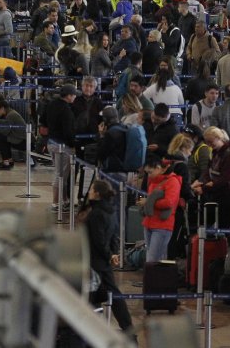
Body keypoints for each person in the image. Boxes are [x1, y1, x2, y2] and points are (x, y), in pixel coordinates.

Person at [80, 180, 134, 335]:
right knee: (112, 294)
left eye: (91, 190)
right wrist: (113, 253)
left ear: (97, 193)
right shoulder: (111, 210)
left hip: (94, 261)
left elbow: (98, 240)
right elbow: (114, 236)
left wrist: (109, 255)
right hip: (104, 261)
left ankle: (93, 330)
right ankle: (128, 329)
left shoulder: (96, 213)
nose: (89, 192)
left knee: (90, 294)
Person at [192, 127, 230, 229]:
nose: (209, 145)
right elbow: (208, 170)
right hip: (217, 193)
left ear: (219, 138)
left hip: (227, 195)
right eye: (207, 142)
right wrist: (200, 181)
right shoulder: (216, 153)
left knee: (223, 228)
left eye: (211, 142)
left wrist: (205, 187)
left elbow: (226, 177)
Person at [138, 154, 182, 263]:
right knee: (151, 256)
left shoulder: (173, 181)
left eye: (150, 172)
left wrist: (148, 202)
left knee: (154, 259)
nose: (148, 175)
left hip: (162, 225)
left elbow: (169, 203)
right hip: (149, 223)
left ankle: (154, 279)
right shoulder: (153, 181)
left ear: (158, 168)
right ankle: (153, 279)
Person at [46, 84, 77, 211]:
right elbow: (68, 132)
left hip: (51, 143)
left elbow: (43, 120)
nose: (75, 97)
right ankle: (55, 203)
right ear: (69, 96)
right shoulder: (66, 111)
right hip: (62, 146)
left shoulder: (52, 104)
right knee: (61, 175)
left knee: (59, 172)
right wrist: (73, 145)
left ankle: (64, 200)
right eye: (74, 95)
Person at [0, 97, 28, 170]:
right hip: (21, 138)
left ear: (2, 108)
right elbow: (6, 123)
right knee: (4, 138)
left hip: (22, 141)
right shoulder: (11, 112)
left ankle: (6, 163)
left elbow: (5, 131)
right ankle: (9, 161)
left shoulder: (11, 115)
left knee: (2, 138)